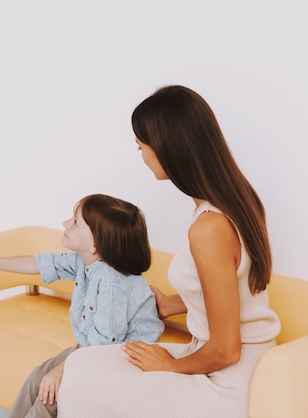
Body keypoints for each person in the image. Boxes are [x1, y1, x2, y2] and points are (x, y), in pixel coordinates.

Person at [56, 85, 281, 418]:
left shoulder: (208, 228)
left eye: (141, 147)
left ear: (166, 149)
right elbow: (236, 291)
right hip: (221, 359)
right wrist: (171, 304)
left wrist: (171, 366)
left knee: (79, 382)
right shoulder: (236, 201)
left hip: (227, 382)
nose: (142, 156)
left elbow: (227, 349)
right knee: (81, 362)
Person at [0, 194, 164, 418]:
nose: (65, 224)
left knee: (51, 396)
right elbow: (37, 264)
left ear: (95, 244)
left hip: (123, 360)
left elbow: (104, 346)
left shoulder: (114, 283)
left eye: (75, 222)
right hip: (91, 349)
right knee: (37, 378)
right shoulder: (85, 262)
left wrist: (60, 371)